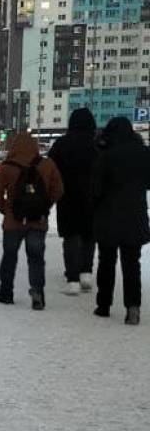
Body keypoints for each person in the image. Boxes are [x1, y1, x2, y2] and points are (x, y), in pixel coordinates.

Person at [0, 132, 64, 310]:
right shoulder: (47, 165)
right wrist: (45, 206)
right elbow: (58, 189)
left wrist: (7, 210)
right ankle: (37, 292)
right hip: (37, 221)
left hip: (13, 222)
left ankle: (6, 292)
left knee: (9, 257)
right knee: (36, 258)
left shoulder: (7, 167)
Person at [91, 116, 150, 325]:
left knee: (106, 262)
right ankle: (133, 308)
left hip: (108, 217)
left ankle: (104, 305)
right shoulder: (144, 154)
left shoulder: (106, 156)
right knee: (132, 264)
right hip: (135, 216)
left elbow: (96, 188)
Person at [47, 108, 99, 295]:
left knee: (71, 236)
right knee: (88, 235)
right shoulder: (97, 145)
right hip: (92, 198)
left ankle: (72, 279)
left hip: (67, 197)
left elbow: (49, 169)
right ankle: (86, 272)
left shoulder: (61, 144)